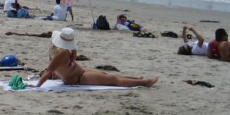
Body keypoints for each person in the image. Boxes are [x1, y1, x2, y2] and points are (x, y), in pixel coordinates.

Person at [30, 27, 159, 87]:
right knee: (113, 80)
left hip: (80, 72)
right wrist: (37, 86)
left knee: (105, 74)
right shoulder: (62, 53)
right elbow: (49, 71)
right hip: (78, 78)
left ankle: (136, 78)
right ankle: (144, 82)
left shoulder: (60, 51)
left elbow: (60, 68)